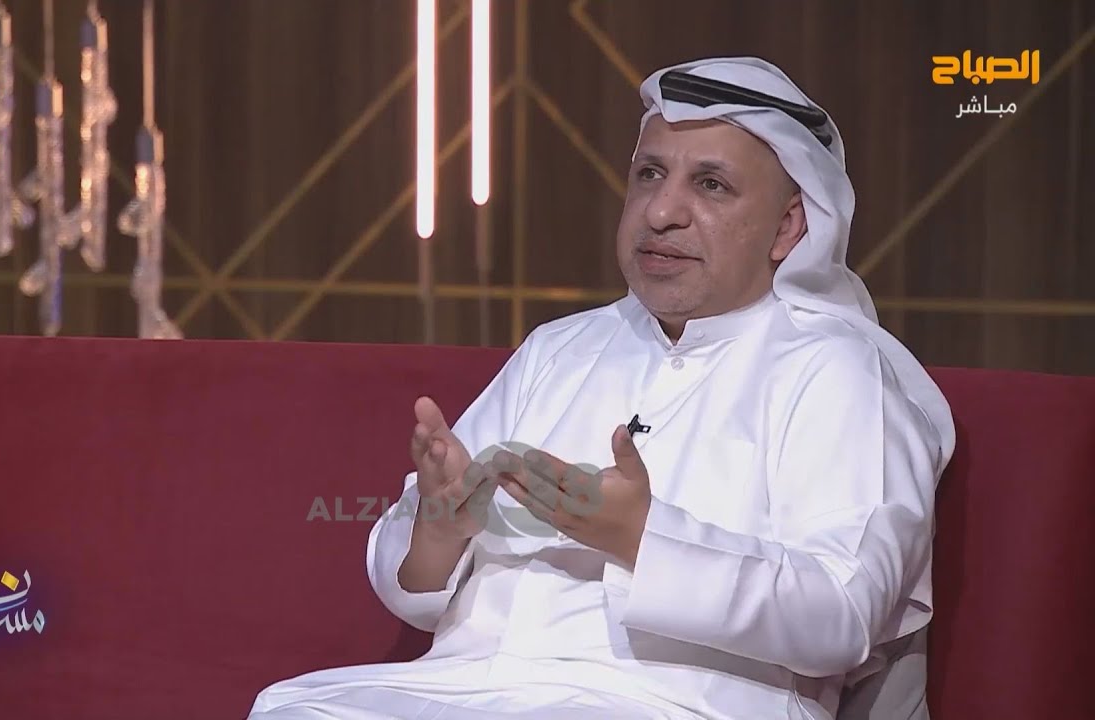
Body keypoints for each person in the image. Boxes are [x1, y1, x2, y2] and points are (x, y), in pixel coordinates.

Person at [248, 55, 954, 720]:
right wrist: (438, 525)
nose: (661, 212)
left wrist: (642, 539)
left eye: (710, 185)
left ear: (787, 227)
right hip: (465, 690)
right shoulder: (559, 348)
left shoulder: (839, 369)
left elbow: (843, 615)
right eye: (650, 173)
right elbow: (410, 584)